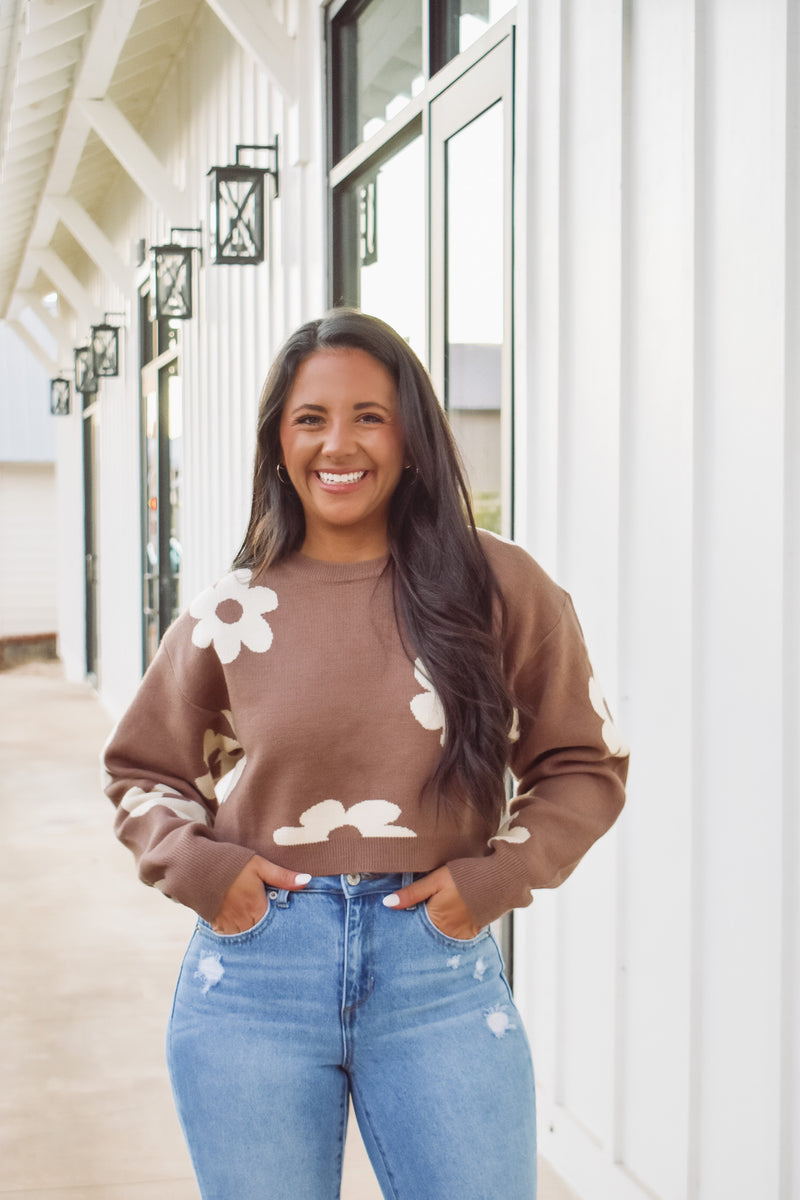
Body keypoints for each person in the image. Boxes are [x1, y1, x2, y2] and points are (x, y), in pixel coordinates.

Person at [104, 308, 628, 1200]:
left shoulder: (499, 588)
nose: (336, 444)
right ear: (279, 440)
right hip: (256, 977)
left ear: (413, 437)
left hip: (438, 974)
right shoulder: (233, 609)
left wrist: (497, 879)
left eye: (368, 416)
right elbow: (144, 772)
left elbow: (583, 761)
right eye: (310, 418)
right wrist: (201, 870)